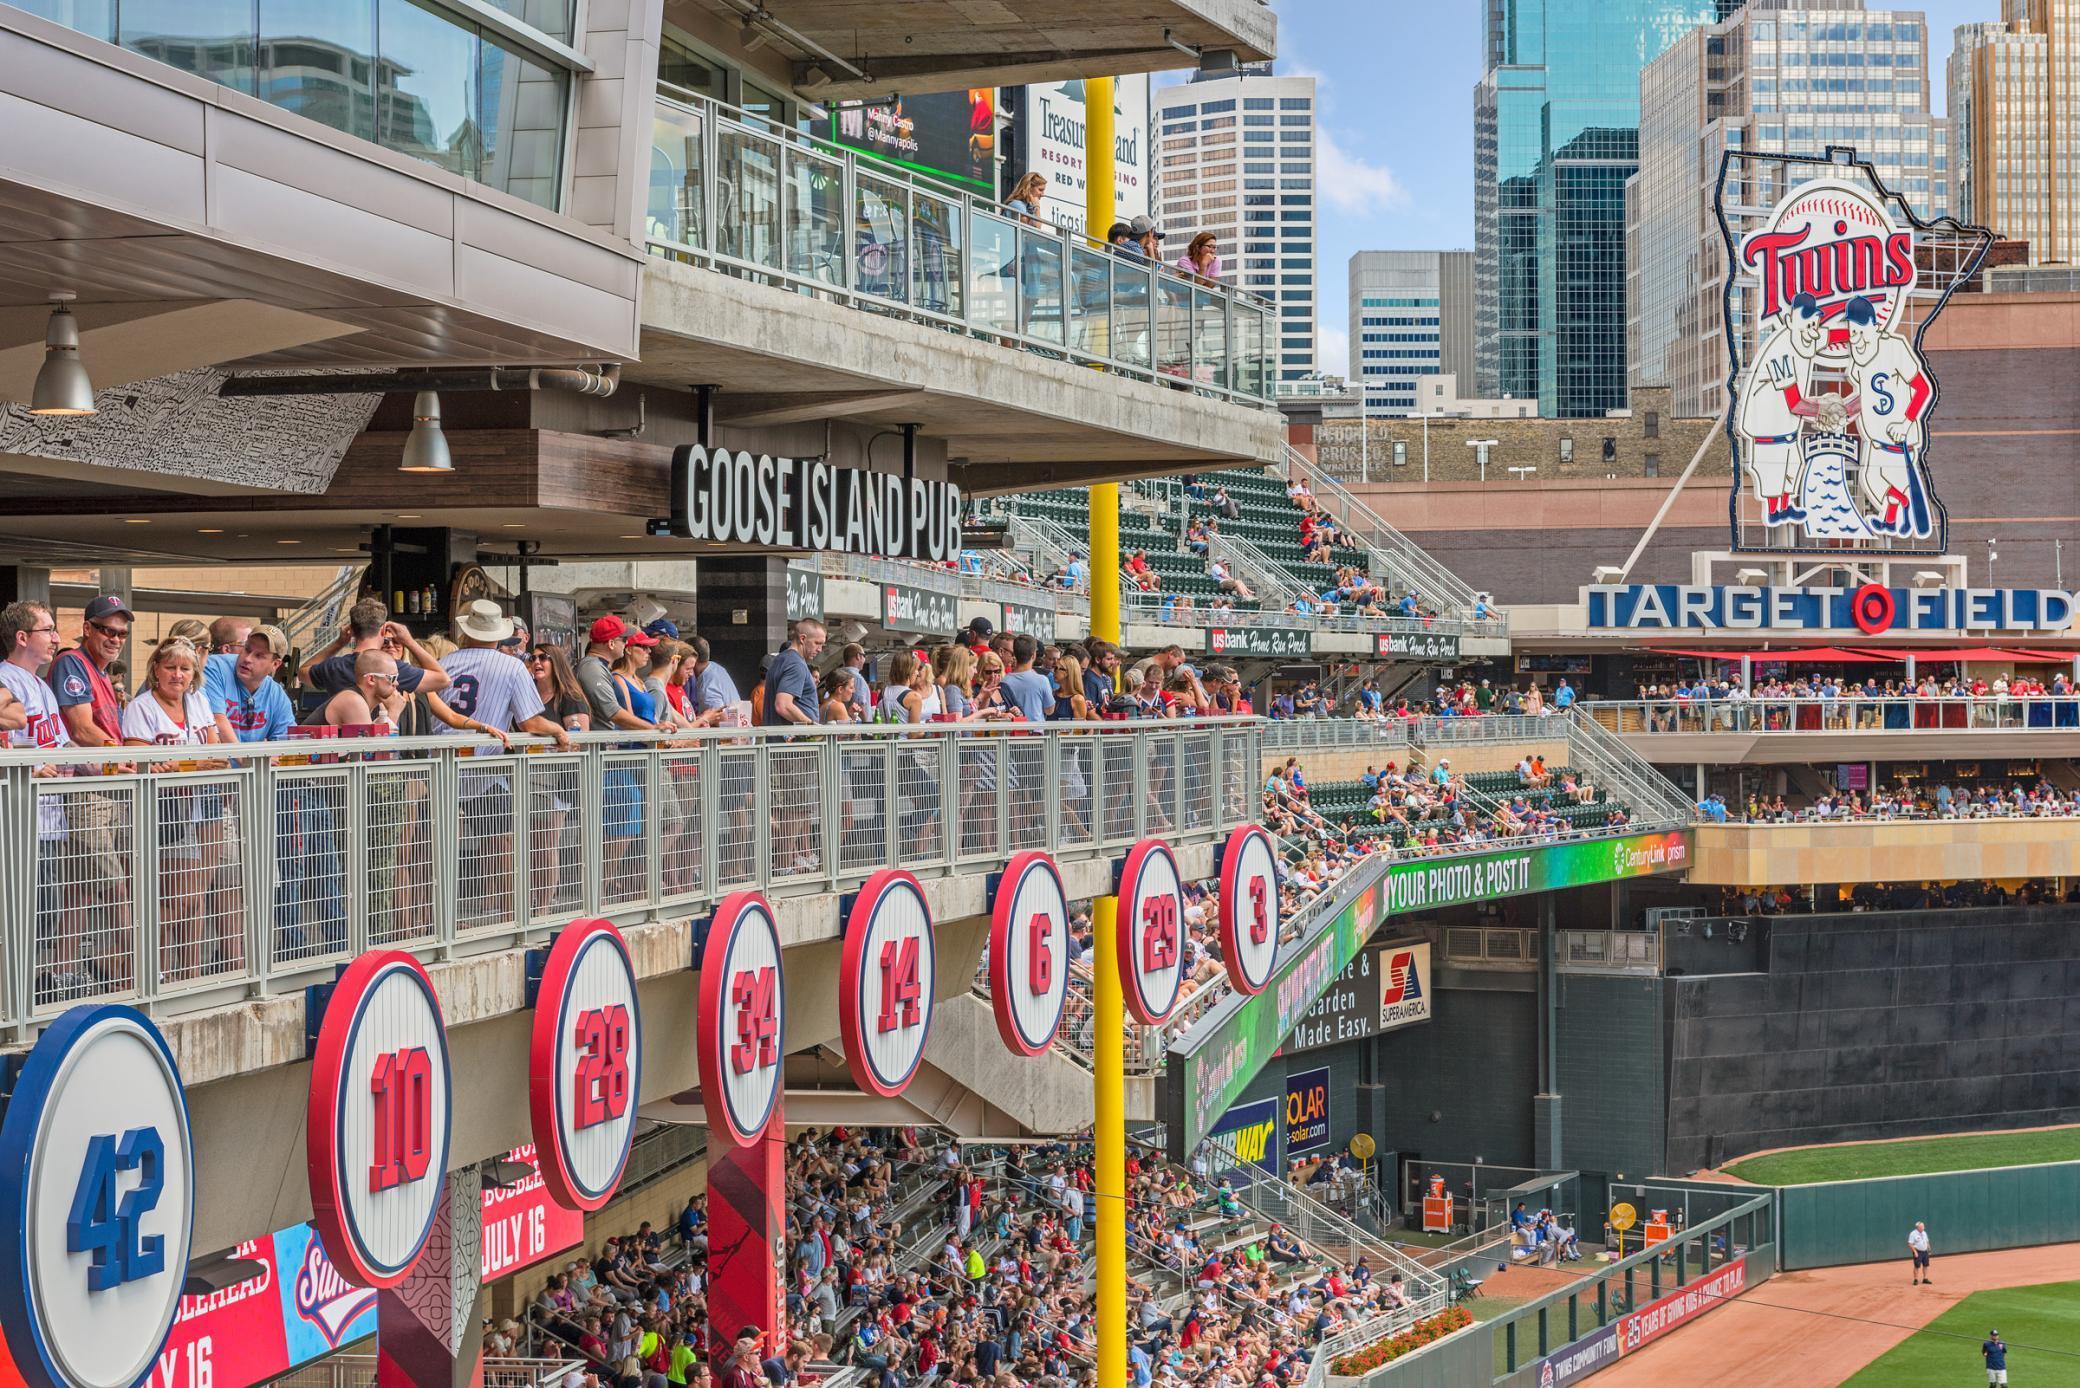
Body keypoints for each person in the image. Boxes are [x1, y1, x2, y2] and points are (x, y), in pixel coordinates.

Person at [121, 638, 232, 981]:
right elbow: (141, 761)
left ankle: (189, 976)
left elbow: (216, 756)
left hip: (203, 805)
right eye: (170, 667)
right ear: (156, 668)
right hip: (164, 810)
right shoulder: (141, 707)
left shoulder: (198, 700)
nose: (177, 675)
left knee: (195, 899)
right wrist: (194, 764)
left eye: (185, 668)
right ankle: (151, 972)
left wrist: (183, 764)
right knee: (175, 899)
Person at [998, 635, 1053, 722]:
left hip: (1013, 728)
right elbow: (1049, 710)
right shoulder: (1042, 680)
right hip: (1036, 729)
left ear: (1015, 654)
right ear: (1033, 655)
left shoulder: (1004, 681)